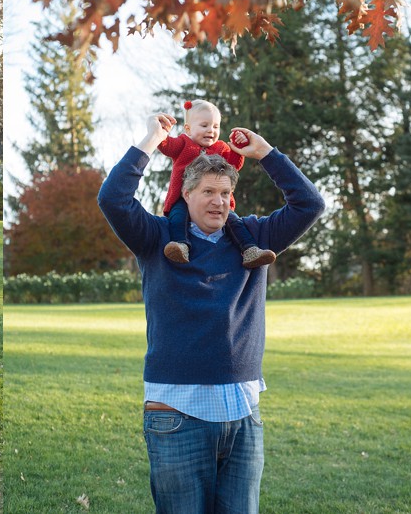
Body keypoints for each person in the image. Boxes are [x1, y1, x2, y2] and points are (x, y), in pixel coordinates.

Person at [98, 113, 325, 513]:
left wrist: (267, 154)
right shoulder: (156, 238)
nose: (218, 201)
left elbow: (309, 204)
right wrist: (152, 139)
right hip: (176, 414)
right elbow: (113, 198)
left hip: (242, 413)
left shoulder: (254, 238)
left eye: (224, 193)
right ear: (186, 194)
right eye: (207, 192)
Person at [159, 99, 276, 269]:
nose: (210, 131)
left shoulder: (221, 147)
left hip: (215, 199)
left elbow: (234, 164)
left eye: (215, 127)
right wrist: (160, 132)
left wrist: (238, 145)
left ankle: (250, 249)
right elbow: (166, 146)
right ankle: (180, 245)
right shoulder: (184, 143)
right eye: (204, 125)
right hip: (182, 197)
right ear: (188, 129)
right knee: (178, 217)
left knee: (234, 221)